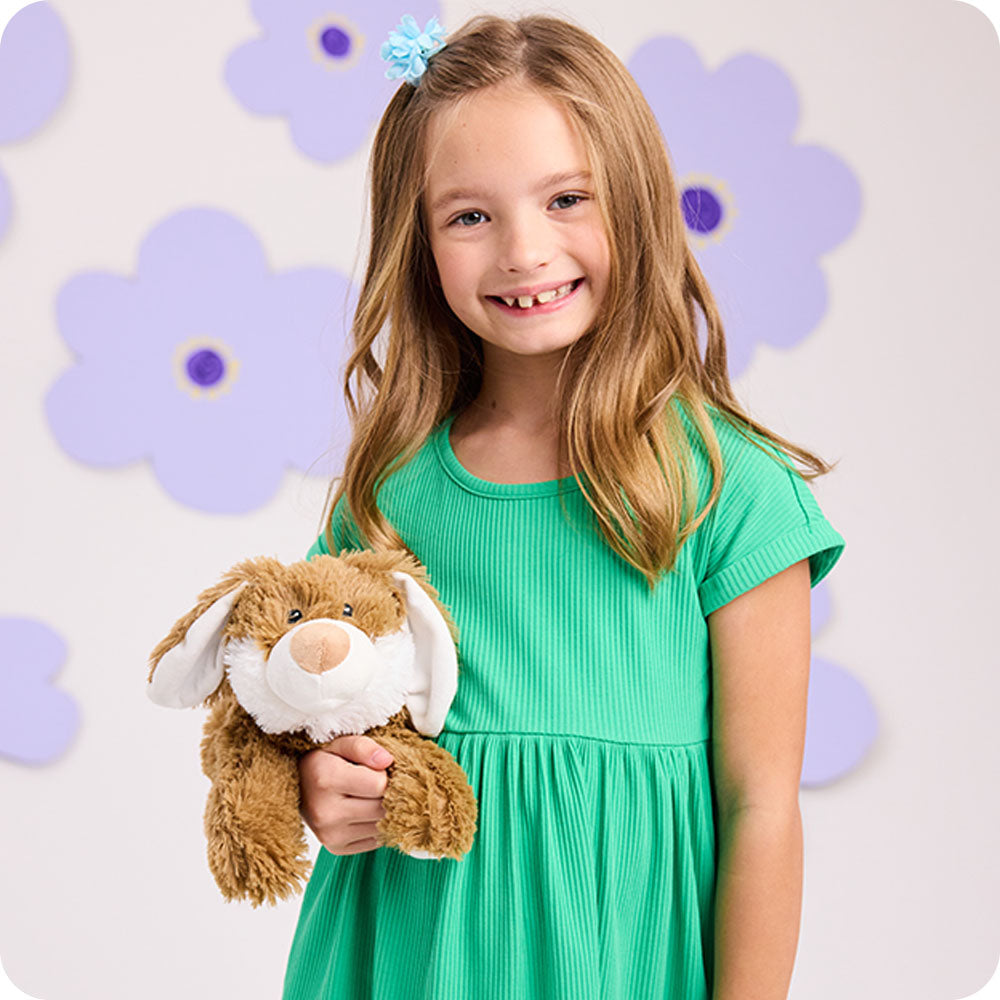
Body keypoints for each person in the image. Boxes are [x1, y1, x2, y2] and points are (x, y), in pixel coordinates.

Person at [283, 12, 845, 1000]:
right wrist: (323, 787)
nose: (523, 250)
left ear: (635, 201)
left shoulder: (730, 490)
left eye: (566, 198)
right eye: (469, 216)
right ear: (418, 241)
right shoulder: (386, 496)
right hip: (402, 960)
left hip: (619, 964)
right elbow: (321, 723)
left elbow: (761, 807)